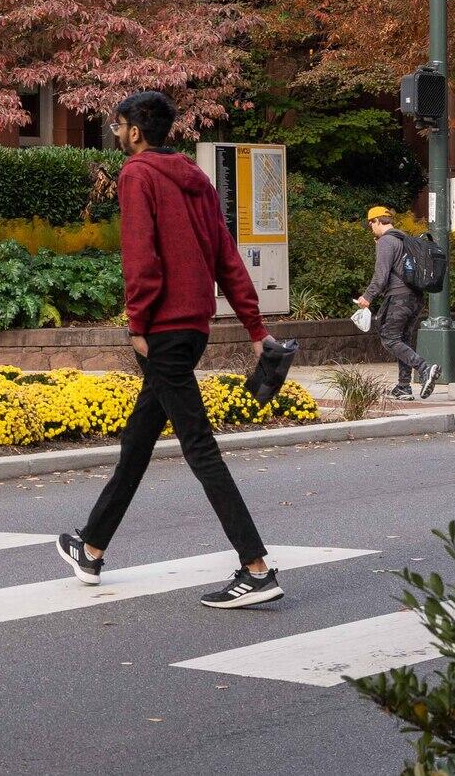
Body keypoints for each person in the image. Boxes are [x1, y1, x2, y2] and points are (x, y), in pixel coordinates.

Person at [57, 91, 283, 609]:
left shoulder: (137, 174)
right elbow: (226, 257)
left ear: (136, 131)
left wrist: (137, 322)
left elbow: (140, 255)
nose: (116, 134)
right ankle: (91, 548)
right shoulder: (195, 179)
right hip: (193, 329)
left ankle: (256, 569)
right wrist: (255, 328)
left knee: (199, 447)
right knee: (138, 441)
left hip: (161, 330)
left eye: (118, 126)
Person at [357, 206, 439, 399]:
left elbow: (381, 276)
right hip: (416, 297)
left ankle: (425, 368)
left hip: (399, 297)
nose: (371, 228)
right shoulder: (404, 238)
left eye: (371, 224)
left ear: (377, 221)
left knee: (389, 337)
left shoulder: (386, 241)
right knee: (403, 340)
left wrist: (367, 297)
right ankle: (403, 387)